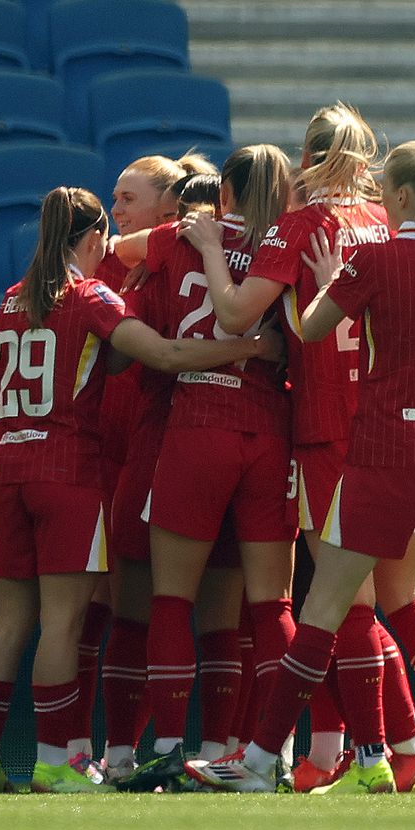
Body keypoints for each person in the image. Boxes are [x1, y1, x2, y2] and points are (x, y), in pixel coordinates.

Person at [187, 103, 415, 794]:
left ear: (396, 194)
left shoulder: (364, 252)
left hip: (376, 449)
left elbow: (301, 328)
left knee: (327, 610)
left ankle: (280, 758)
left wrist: (326, 280)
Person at [0, 186, 282, 794]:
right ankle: (55, 763)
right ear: (91, 241)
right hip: (68, 473)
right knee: (62, 624)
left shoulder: (9, 302)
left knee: (10, 624)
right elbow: (163, 353)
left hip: (7, 470)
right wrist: (247, 346)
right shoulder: (91, 297)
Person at [186, 103, 415, 792]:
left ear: (309, 153)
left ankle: (384, 751)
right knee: (388, 600)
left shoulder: (301, 226)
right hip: (391, 425)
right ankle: (400, 746)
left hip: (327, 428)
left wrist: (210, 248)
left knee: (345, 607)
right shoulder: (386, 224)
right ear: (365, 160)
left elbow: (237, 313)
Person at [112, 145, 298, 792]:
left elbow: (123, 250)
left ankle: (166, 748)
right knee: (269, 603)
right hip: (270, 428)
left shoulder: (181, 235)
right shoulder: (288, 243)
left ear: (224, 191)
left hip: (195, 422)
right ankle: (260, 751)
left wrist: (179, 236)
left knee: (171, 598)